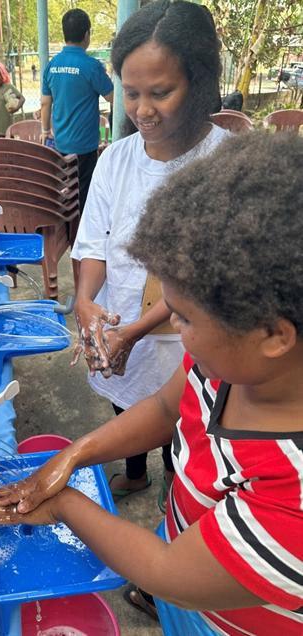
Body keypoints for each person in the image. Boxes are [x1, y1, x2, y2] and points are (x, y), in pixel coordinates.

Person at [0, 130, 303, 635]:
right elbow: (162, 407)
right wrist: (75, 454)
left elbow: (165, 573)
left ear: (272, 334)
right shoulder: (229, 368)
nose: (173, 327)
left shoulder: (295, 493)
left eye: (186, 318)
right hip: (182, 545)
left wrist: (65, 503)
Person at [70, 0, 229, 516]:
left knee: (178, 422)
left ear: (200, 82)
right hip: (121, 321)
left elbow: (199, 278)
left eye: (161, 92)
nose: (142, 109)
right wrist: (85, 300)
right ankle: (135, 477)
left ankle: (171, 501)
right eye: (131, 92)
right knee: (124, 403)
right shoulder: (116, 159)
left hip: (186, 336)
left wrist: (134, 331)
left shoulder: (224, 164)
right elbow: (94, 243)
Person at [41, 8, 114, 211]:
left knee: (65, 191)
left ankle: (67, 231)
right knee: (84, 194)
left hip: (60, 144)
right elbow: (113, 97)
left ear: (65, 34)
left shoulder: (51, 65)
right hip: (85, 147)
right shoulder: (92, 66)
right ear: (87, 34)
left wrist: (45, 131)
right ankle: (80, 234)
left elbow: (45, 103)